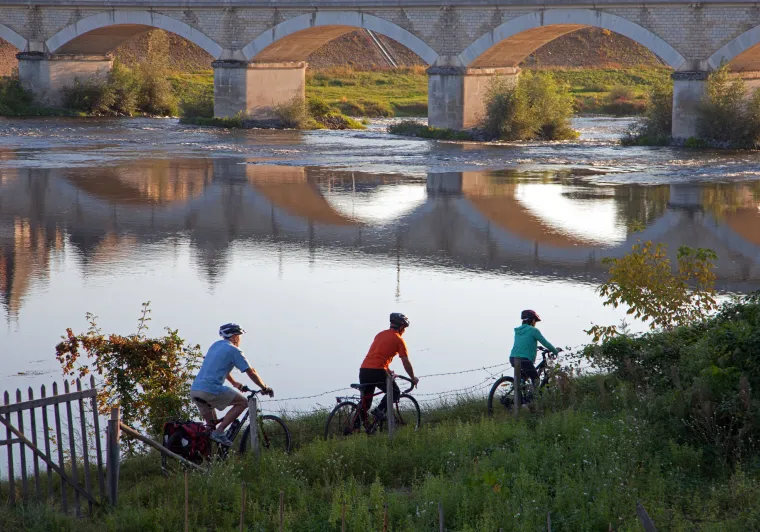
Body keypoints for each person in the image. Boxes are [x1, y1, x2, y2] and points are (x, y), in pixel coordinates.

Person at [190, 323, 273, 447]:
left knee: (209, 430)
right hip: (210, 390)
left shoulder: (216, 345)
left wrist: (234, 383)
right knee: (243, 403)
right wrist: (264, 388)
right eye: (239, 336)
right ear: (234, 337)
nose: (240, 339)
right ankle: (220, 430)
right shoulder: (234, 350)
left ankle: (208, 458)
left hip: (195, 390)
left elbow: (219, 366)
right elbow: (251, 372)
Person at [359, 312, 419, 422]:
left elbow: (377, 356)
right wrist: (412, 377)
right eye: (404, 328)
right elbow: (405, 361)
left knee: (365, 402)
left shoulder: (380, 334)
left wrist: (387, 370)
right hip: (377, 371)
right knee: (394, 392)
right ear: (401, 327)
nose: (404, 331)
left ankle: (355, 428)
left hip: (364, 370)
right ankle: (379, 411)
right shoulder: (399, 340)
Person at [509, 310, 558, 387]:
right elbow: (545, 343)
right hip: (525, 359)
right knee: (536, 379)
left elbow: (523, 342)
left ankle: (521, 396)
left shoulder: (518, 331)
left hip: (513, 358)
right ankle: (534, 398)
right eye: (535, 321)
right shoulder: (533, 330)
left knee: (524, 377)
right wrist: (555, 351)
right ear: (532, 320)